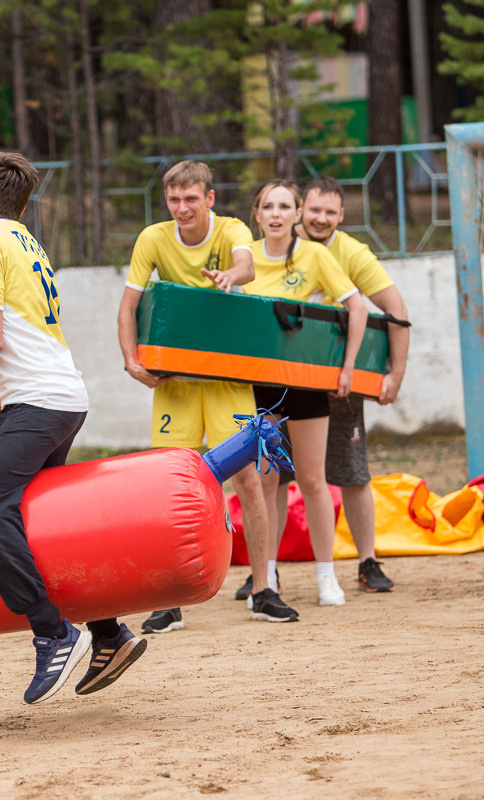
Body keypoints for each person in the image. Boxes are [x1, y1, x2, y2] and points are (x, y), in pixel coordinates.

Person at [0, 152, 146, 705]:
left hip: (37, 402)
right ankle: (110, 634)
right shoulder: (24, 240)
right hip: (65, 396)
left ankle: (52, 629)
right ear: (21, 203)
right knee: (41, 525)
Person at [117, 160, 298, 629]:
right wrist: (131, 360)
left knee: (249, 483)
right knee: (166, 489)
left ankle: (264, 590)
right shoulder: (152, 238)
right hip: (176, 385)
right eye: (174, 200)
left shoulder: (232, 228)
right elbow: (129, 304)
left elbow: (247, 264)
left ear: (210, 198)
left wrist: (230, 277)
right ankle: (169, 600)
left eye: (191, 199)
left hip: (227, 381)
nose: (182, 208)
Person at [242, 179, 369, 607]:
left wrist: (347, 367)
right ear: (256, 215)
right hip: (259, 387)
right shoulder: (244, 261)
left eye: (284, 206)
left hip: (308, 382)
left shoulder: (315, 255)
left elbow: (357, 306)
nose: (275, 214)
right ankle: (267, 579)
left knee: (313, 480)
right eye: (267, 207)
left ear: (297, 214)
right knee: (266, 479)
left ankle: (326, 576)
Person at [290, 174, 410, 594]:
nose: (320, 218)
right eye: (313, 210)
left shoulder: (352, 253)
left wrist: (396, 373)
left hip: (338, 384)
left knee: (354, 474)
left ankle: (367, 562)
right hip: (281, 383)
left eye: (330, 212)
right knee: (272, 475)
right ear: (299, 209)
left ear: (341, 215)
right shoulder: (275, 246)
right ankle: (263, 574)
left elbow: (395, 309)